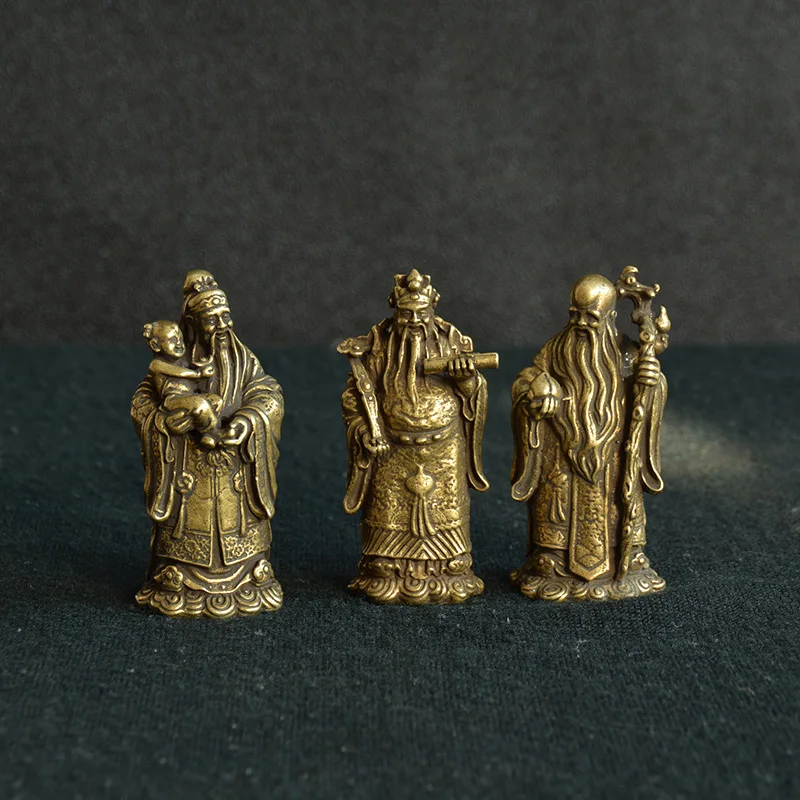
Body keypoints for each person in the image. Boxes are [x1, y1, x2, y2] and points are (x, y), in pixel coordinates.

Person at [131, 270, 284, 617]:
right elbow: (143, 402)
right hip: (187, 476)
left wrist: (248, 421)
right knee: (184, 537)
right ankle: (175, 577)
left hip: (233, 471)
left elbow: (268, 393)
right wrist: (164, 424)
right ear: (192, 323)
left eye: (225, 316)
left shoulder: (243, 360)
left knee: (240, 531)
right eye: (211, 319)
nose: (222, 325)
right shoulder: (171, 361)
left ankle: (250, 574)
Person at [510, 273, 667, 601]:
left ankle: (625, 558)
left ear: (610, 316)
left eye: (591, 317)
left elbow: (646, 399)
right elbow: (528, 380)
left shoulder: (628, 354)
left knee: (617, 514)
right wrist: (537, 388)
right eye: (575, 315)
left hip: (613, 458)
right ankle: (551, 560)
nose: (581, 324)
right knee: (554, 531)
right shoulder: (555, 349)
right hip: (561, 455)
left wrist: (650, 383)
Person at [338, 270, 490, 604]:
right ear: (395, 309)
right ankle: (386, 568)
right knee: (384, 555)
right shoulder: (377, 343)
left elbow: (474, 393)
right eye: (406, 314)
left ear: (433, 308)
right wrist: (365, 431)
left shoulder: (452, 339)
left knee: (449, 541)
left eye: (422, 313)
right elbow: (355, 396)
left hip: (444, 451)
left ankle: (449, 568)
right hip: (391, 452)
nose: (415, 321)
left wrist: (466, 380)